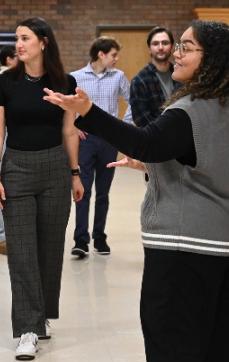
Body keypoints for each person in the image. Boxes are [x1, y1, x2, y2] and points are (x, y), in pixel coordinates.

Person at [44, 20, 229, 362]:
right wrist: (155, 166)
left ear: (211, 59)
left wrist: (87, 112)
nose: (176, 54)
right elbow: (199, 163)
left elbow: (148, 142)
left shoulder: (192, 110)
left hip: (185, 253)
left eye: (186, 47)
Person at [0, 17, 84, 361]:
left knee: (50, 249)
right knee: (22, 251)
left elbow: (69, 131)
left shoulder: (65, 82)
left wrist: (75, 173)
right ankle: (27, 329)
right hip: (16, 168)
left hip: (56, 168)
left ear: (43, 42)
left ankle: (40, 315)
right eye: (17, 38)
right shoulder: (4, 83)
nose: (19, 44)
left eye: (25, 38)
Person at [69, 36, 131, 258]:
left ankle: (100, 237)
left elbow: (134, 100)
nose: (117, 59)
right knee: (83, 190)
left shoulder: (118, 76)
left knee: (103, 192)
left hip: (108, 141)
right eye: (113, 54)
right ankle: (80, 240)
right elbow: (65, 106)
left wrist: (123, 126)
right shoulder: (75, 77)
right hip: (85, 141)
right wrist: (73, 125)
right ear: (101, 54)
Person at [0, 45, 17, 255]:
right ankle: (1, 236)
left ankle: (13, 234)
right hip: (4, 134)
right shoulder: (0, 80)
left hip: (17, 135)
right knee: (1, 184)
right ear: (9, 59)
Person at [124, 27, 179, 127]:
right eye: (155, 43)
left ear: (171, 47)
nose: (160, 47)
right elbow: (142, 120)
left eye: (165, 43)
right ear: (149, 49)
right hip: (156, 136)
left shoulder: (181, 76)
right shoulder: (139, 81)